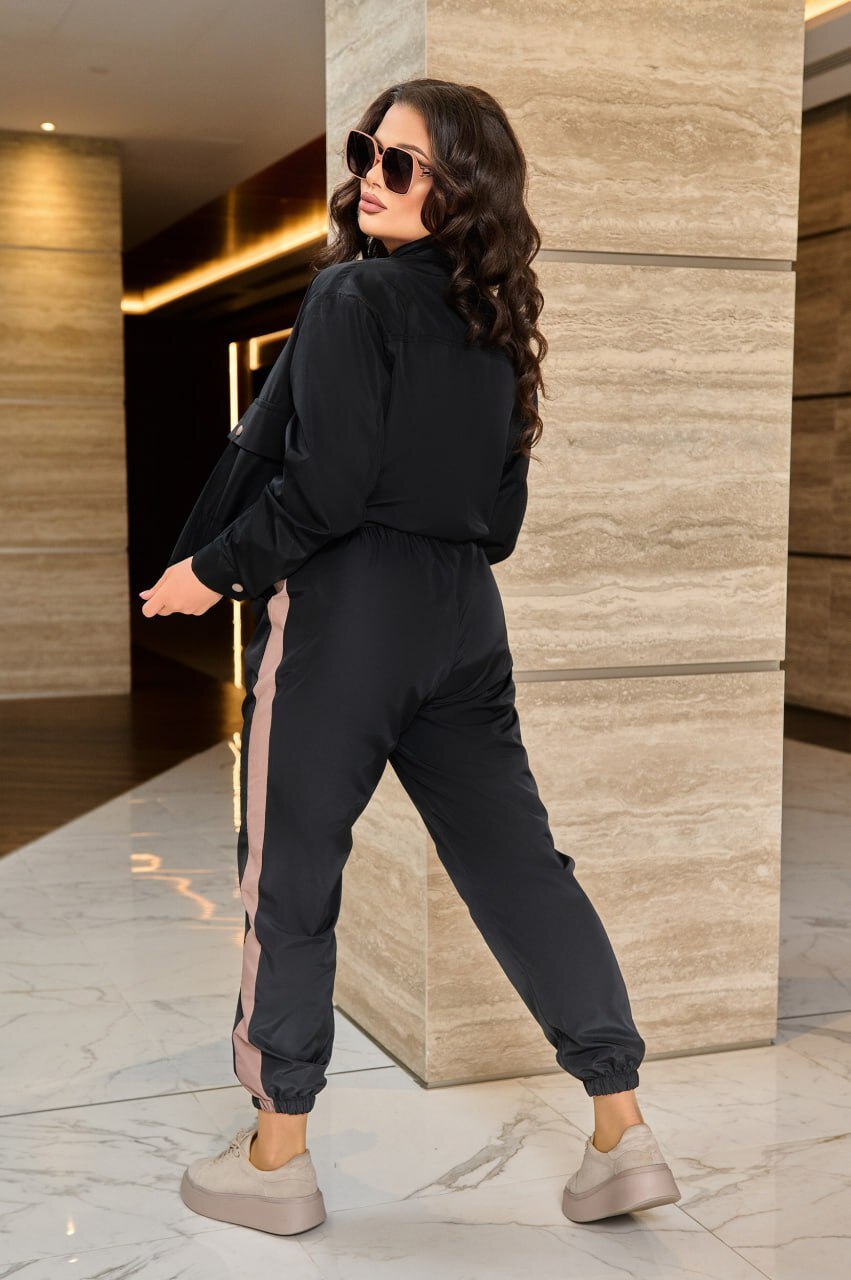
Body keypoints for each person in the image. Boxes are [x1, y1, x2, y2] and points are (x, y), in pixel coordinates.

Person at [140, 78, 680, 1236]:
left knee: (287, 876)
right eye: (364, 152)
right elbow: (500, 522)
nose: (366, 179)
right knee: (522, 869)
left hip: (350, 614)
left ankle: (276, 1155)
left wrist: (210, 571)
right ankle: (620, 1129)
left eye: (398, 163)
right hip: (464, 617)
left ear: (462, 188)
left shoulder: (349, 296)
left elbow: (323, 491)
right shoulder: (499, 329)